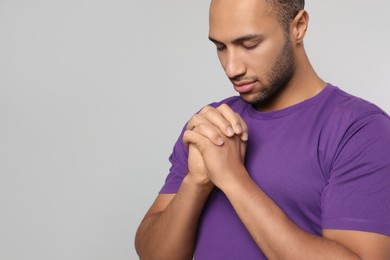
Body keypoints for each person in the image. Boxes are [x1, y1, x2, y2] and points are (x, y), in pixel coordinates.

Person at [135, 0, 390, 259]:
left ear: (298, 27)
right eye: (220, 47)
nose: (232, 68)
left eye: (249, 44)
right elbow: (153, 254)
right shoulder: (212, 124)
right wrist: (196, 183)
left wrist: (233, 179)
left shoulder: (360, 131)